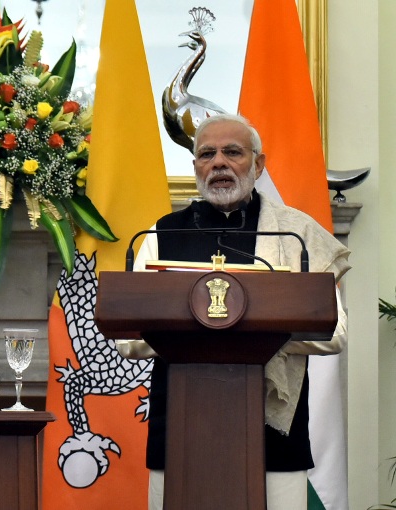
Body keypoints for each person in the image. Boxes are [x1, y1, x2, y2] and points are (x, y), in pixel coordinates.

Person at [118, 114, 350, 510]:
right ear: (195, 167)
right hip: (180, 427)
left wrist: (253, 336)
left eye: (233, 152)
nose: (219, 163)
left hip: (274, 430)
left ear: (257, 165)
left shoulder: (295, 236)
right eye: (207, 154)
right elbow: (127, 336)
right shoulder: (161, 234)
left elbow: (336, 332)